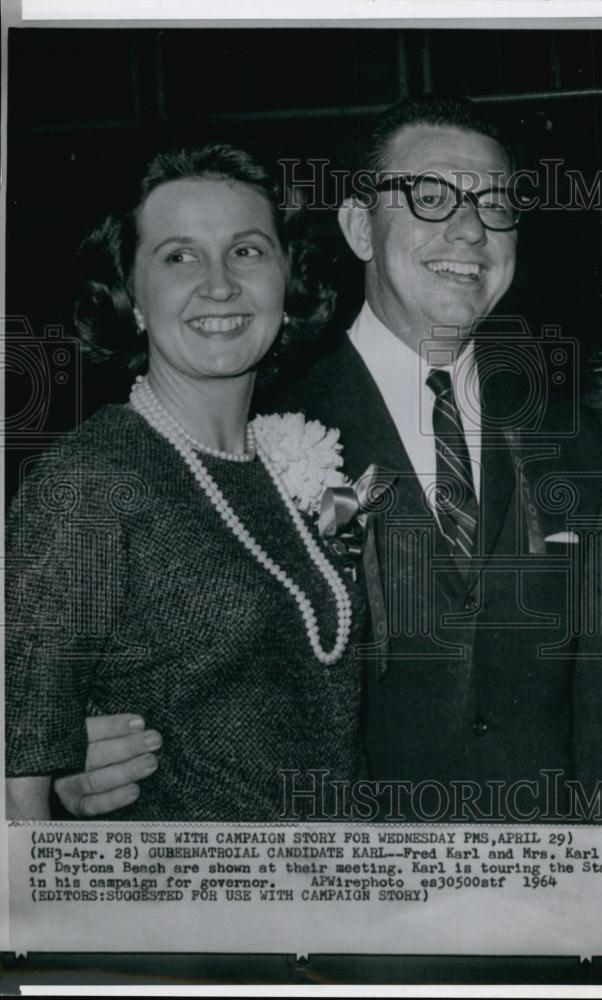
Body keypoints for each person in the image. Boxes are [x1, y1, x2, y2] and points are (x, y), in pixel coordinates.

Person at [55, 98, 602, 821]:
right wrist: (76, 746)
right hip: (349, 881)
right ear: (360, 226)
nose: (469, 228)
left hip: (545, 874)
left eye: (495, 203)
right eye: (429, 197)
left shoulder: (569, 424)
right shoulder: (261, 427)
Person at [5, 141, 366, 821]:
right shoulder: (90, 478)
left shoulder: (288, 462)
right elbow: (17, 776)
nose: (220, 283)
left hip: (330, 906)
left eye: (247, 250)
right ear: (130, 297)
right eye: (178, 256)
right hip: (182, 915)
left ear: (287, 282)